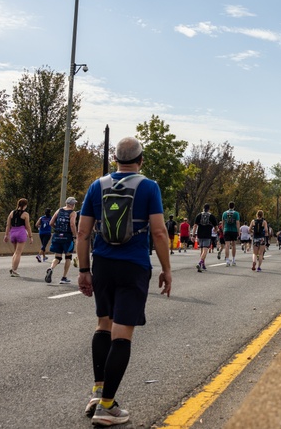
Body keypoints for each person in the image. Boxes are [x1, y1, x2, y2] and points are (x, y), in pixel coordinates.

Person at [77, 137, 171, 426]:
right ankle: (107, 406)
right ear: (140, 160)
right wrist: (166, 269)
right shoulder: (149, 186)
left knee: (103, 324)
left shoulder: (98, 185)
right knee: (123, 333)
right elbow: (158, 232)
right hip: (133, 265)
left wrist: (83, 269)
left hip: (103, 263)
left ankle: (97, 392)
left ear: (115, 159)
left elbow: (82, 233)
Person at [47, 198, 78, 284]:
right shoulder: (72, 213)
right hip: (67, 237)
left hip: (57, 236)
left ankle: (51, 268)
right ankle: (64, 277)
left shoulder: (59, 210)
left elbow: (51, 223)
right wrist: (75, 235)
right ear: (72, 205)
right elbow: (72, 224)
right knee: (68, 257)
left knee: (58, 257)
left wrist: (57, 228)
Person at [4, 198, 33, 277]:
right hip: (21, 232)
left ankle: (13, 268)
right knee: (18, 253)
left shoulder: (12, 213)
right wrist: (30, 236)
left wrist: (6, 235)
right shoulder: (25, 214)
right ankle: (14, 269)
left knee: (15, 252)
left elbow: (8, 225)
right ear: (25, 205)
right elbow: (28, 226)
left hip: (13, 232)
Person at [194, 205, 216, 272]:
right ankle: (200, 262)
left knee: (202, 250)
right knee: (205, 250)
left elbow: (195, 226)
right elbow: (216, 227)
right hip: (207, 235)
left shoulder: (199, 215)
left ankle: (203, 265)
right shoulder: (211, 216)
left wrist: (193, 235)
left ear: (203, 208)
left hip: (200, 234)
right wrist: (215, 230)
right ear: (209, 209)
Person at [221, 202, 240, 267]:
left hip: (226, 230)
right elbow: (237, 223)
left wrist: (223, 230)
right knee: (233, 245)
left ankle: (227, 260)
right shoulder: (236, 213)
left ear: (228, 206)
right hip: (234, 230)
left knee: (227, 245)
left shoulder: (224, 213)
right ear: (234, 206)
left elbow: (223, 223)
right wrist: (238, 231)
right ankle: (233, 260)